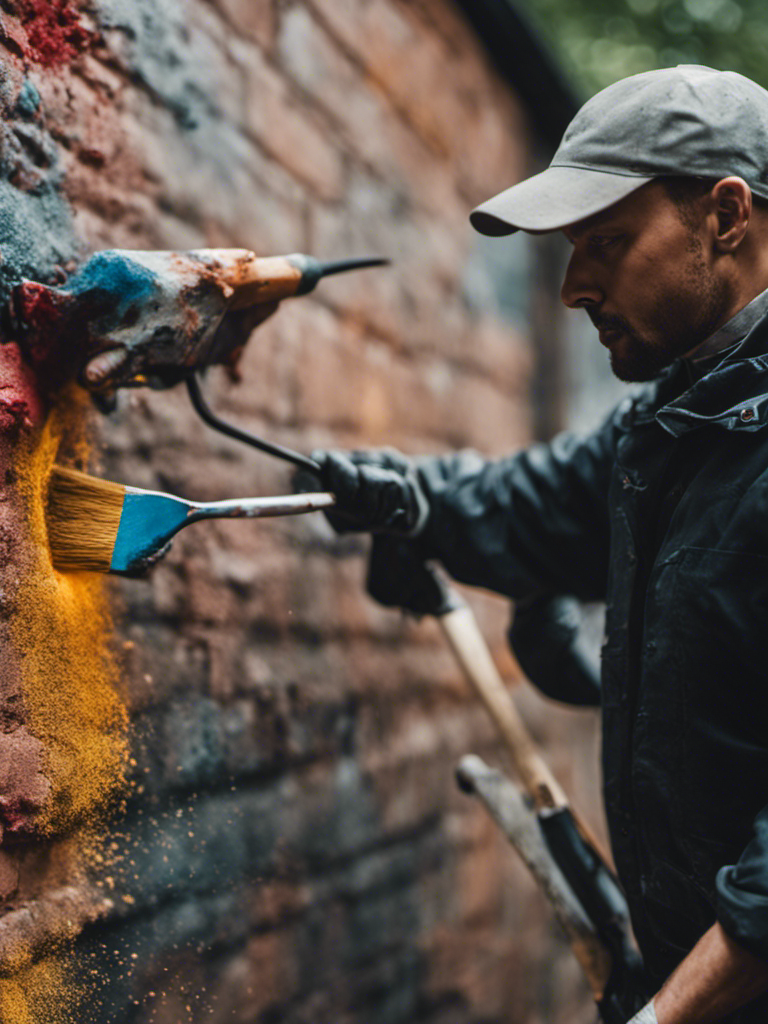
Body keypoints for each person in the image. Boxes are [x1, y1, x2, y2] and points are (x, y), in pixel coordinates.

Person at [312, 65, 768, 1023]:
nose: (572, 288)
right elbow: (533, 506)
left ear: (727, 216)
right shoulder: (680, 416)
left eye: (605, 242)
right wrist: (403, 493)